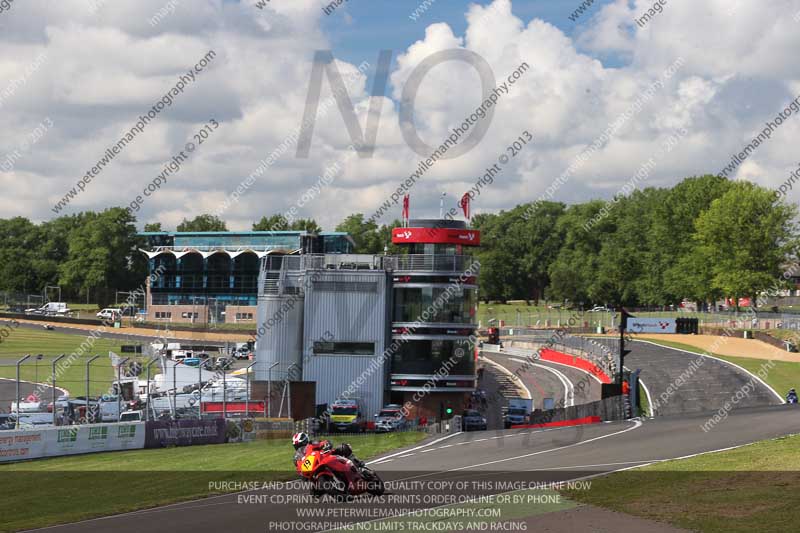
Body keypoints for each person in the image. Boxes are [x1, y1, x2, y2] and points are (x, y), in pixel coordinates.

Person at [292, 432, 365, 469]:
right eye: (298, 446)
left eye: (302, 444)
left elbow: (325, 442)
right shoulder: (297, 456)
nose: (301, 447)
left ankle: (356, 463)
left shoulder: (313, 443)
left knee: (343, 447)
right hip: (315, 467)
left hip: (326, 456)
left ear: (306, 441)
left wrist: (326, 445)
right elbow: (299, 469)